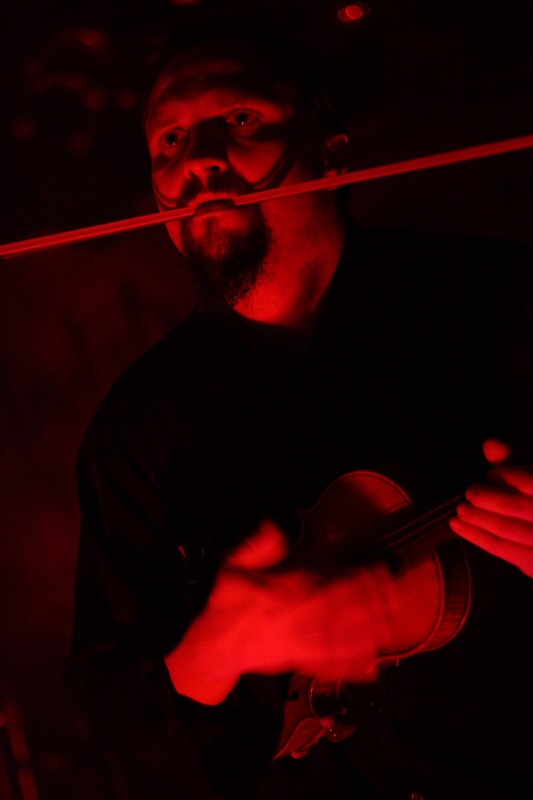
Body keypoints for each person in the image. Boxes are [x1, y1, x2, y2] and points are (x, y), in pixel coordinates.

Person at [66, 24, 533, 800]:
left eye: (239, 119)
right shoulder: (137, 427)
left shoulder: (501, 297)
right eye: (169, 140)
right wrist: (214, 649)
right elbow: (109, 701)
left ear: (332, 153)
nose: (198, 160)